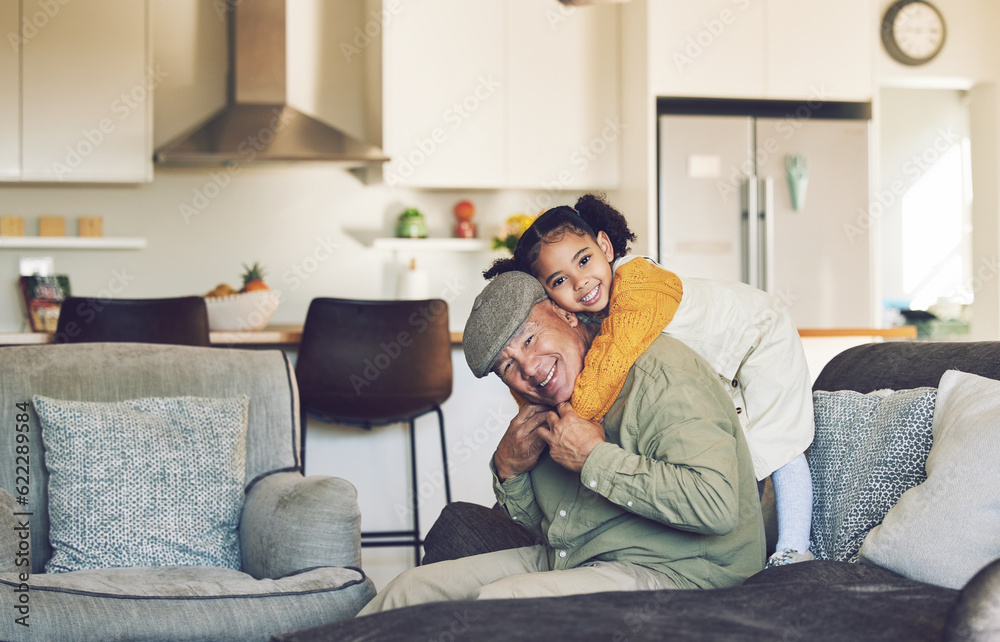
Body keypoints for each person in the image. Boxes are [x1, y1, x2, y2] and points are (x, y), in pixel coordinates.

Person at [356, 270, 764, 615]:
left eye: (530, 339)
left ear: (565, 315)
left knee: (498, 603)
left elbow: (717, 504)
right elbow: (553, 528)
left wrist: (594, 457)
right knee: (406, 592)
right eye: (508, 366)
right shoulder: (551, 405)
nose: (529, 369)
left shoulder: (659, 371)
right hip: (578, 558)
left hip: (685, 570)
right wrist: (509, 471)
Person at [484, 193, 815, 567]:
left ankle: (794, 549)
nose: (580, 282)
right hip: (721, 360)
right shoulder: (593, 312)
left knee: (778, 446)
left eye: (585, 260)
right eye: (561, 279)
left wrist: (570, 417)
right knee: (725, 445)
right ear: (553, 302)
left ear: (606, 246)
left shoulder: (639, 283)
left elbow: (611, 361)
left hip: (762, 338)